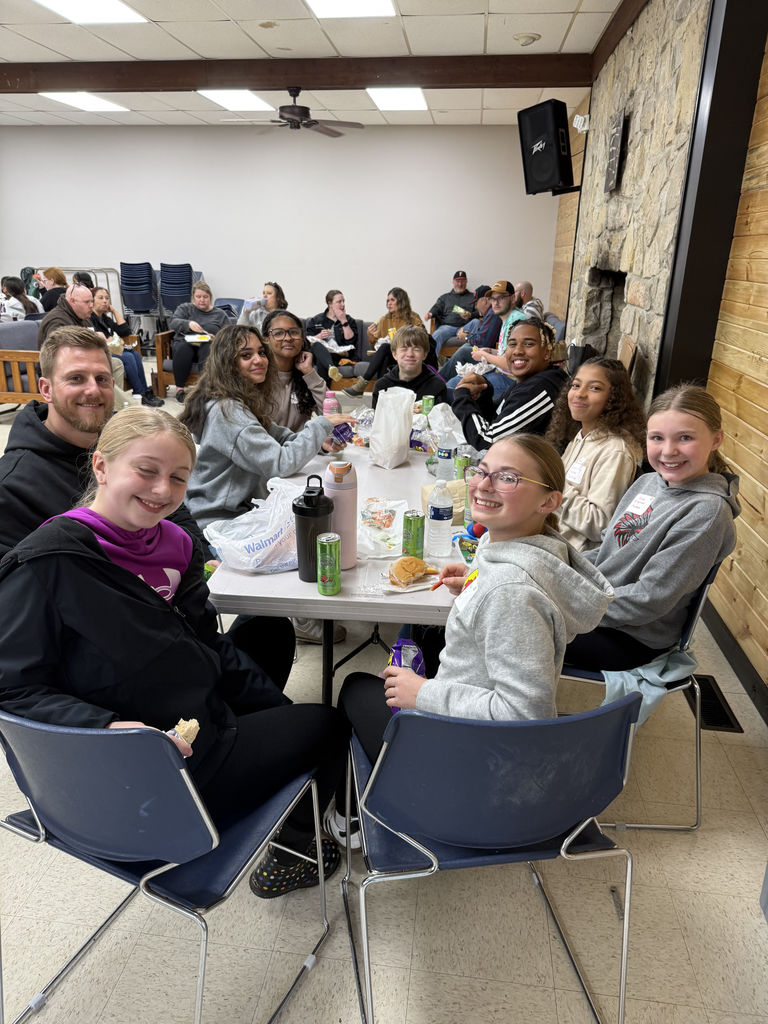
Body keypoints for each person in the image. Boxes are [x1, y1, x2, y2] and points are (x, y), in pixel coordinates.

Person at [0, 406, 349, 899]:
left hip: (184, 697)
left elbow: (203, 641)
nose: (162, 490)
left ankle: (273, 753)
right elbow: (12, 688)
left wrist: (274, 708)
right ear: (101, 467)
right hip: (150, 770)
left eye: (178, 478)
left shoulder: (177, 545)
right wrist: (105, 728)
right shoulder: (46, 563)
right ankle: (298, 848)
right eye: (146, 471)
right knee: (330, 724)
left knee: (268, 632)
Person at [333, 434, 613, 805]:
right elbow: (506, 598)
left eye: (508, 478)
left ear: (548, 501)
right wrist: (473, 579)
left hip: (478, 768)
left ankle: (355, 817)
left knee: (354, 689)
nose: (483, 485)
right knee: (413, 648)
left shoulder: (510, 593)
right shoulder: (517, 545)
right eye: (482, 471)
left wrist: (424, 694)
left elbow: (523, 715)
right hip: (476, 733)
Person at [563, 384, 741, 671]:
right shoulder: (648, 482)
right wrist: (558, 571)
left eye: (685, 438)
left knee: (513, 622)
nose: (668, 451)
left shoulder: (706, 514)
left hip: (631, 637)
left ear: (716, 439)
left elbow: (649, 599)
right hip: (600, 606)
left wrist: (569, 602)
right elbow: (608, 548)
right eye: (657, 438)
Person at [0, 326, 201, 559]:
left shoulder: (131, 438)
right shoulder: (12, 487)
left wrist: (202, 560)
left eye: (102, 379)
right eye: (76, 379)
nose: (93, 390)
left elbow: (174, 513)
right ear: (47, 389)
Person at [180, 324, 354, 530]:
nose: (259, 360)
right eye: (246, 355)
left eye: (261, 353)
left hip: (237, 511)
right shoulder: (228, 411)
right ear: (228, 364)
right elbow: (280, 463)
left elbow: (279, 436)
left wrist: (320, 443)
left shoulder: (239, 399)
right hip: (221, 522)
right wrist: (320, 426)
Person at [545, 358, 645, 551]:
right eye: (576, 385)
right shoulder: (582, 435)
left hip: (569, 555)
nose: (580, 394)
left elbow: (599, 525)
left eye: (595, 388)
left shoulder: (615, 451)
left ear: (614, 398)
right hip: (551, 538)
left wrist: (554, 482)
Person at [453, 318, 567, 448]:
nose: (517, 351)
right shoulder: (528, 379)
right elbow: (496, 419)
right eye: (512, 344)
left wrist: (462, 397)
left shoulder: (542, 388)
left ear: (546, 353)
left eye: (528, 344)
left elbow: (488, 440)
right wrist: (484, 391)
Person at [37, 284, 130, 405]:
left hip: (81, 361)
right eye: (87, 302)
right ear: (72, 301)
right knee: (104, 369)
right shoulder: (56, 320)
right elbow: (59, 349)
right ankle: (116, 406)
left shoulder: (83, 316)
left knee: (116, 363)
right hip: (60, 366)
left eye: (92, 301)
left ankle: (109, 405)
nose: (91, 305)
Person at [337, 287, 426, 397]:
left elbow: (421, 337)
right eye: (388, 300)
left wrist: (402, 338)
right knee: (384, 354)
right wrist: (370, 336)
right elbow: (376, 346)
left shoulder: (413, 318)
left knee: (385, 349)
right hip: (390, 356)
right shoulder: (384, 320)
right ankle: (380, 397)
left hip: (405, 354)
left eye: (392, 300)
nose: (389, 303)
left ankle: (364, 386)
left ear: (401, 301)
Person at [438, 280, 514, 397]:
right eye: (493, 299)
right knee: (455, 381)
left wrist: (484, 354)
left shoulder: (514, 321)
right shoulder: (504, 317)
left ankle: (437, 381)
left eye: (502, 298)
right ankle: (438, 382)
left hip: (507, 378)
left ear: (512, 298)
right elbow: (504, 353)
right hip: (500, 371)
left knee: (456, 385)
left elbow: (510, 363)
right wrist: (489, 351)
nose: (496, 303)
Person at [91, 286, 163, 407]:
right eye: (101, 298)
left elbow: (125, 331)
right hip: (100, 352)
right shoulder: (90, 318)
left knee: (134, 354)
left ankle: (144, 392)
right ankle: (140, 392)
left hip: (111, 349)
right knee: (128, 357)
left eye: (107, 298)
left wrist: (114, 311)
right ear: (92, 300)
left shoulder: (104, 318)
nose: (105, 301)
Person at [262, 309, 325, 430]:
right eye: (278, 333)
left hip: (301, 446)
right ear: (266, 339)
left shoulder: (306, 376)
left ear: (302, 340)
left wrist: (309, 372)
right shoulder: (258, 376)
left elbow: (333, 413)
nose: (288, 338)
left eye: (294, 332)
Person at [169, 281, 230, 402]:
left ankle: (206, 389)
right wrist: (188, 324)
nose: (202, 300)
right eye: (198, 297)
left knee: (208, 348)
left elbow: (228, 333)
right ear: (193, 298)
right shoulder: (185, 308)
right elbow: (173, 322)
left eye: (205, 297)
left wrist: (217, 338)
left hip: (208, 344)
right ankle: (180, 389)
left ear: (210, 298)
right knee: (182, 349)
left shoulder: (220, 314)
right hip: (187, 342)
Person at [371, 324, 447, 410]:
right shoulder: (382, 387)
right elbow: (376, 421)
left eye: (416, 349)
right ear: (395, 354)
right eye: (404, 349)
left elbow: (440, 421)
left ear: (425, 355)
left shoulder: (437, 386)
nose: (410, 354)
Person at [306, 290, 360, 384]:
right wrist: (319, 336)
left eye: (343, 301)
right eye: (339, 302)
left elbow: (351, 342)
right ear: (330, 304)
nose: (343, 304)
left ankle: (324, 394)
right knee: (317, 346)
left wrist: (343, 320)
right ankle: (331, 368)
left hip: (338, 355)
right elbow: (307, 342)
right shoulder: (316, 320)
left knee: (321, 361)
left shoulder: (349, 320)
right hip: (321, 352)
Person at [424, 270, 475, 354]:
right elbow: (437, 307)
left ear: (466, 282)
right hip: (447, 327)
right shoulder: (445, 297)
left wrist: (470, 314)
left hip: (465, 328)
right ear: (453, 282)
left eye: (462, 281)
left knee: (476, 322)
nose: (460, 284)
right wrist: (430, 314)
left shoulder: (473, 297)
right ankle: (430, 364)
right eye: (458, 281)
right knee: (436, 335)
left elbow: (480, 312)